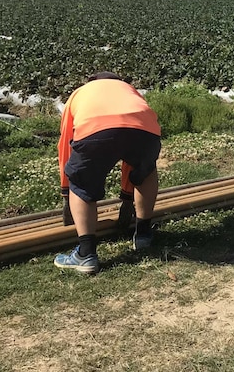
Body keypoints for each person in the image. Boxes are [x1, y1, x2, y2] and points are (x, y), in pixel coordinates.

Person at [54, 72, 162, 274]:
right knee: (145, 171)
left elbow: (66, 148)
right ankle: (143, 236)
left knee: (82, 183)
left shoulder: (80, 93)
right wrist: (127, 199)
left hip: (96, 128)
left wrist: (67, 190)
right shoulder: (129, 90)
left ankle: (86, 255)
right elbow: (131, 162)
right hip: (145, 130)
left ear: (92, 81)